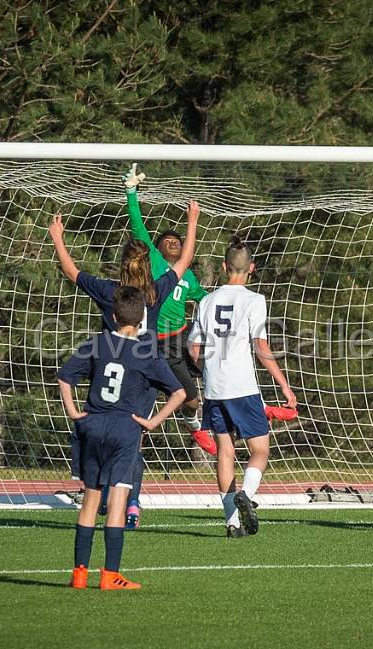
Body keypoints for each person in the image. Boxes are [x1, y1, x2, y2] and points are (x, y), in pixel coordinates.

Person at [49, 201, 197, 529]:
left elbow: (72, 272)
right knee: (132, 442)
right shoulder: (156, 292)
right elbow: (185, 261)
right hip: (144, 374)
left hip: (109, 370)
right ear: (149, 266)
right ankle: (131, 504)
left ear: (122, 264)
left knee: (102, 437)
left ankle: (99, 496)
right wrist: (192, 221)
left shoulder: (109, 292)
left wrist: (57, 237)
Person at [57, 287, 187, 590]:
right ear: (142, 318)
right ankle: (110, 576)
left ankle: (79, 573)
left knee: (90, 500)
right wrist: (153, 421)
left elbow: (65, 377)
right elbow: (179, 393)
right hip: (125, 429)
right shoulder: (146, 352)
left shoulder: (97, 343)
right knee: (117, 501)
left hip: (92, 423)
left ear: (113, 315)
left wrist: (74, 412)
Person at [188, 236, 297, 537]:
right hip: (243, 387)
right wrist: (284, 385)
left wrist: (206, 370)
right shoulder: (254, 300)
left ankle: (232, 523)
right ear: (252, 268)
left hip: (214, 389)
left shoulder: (206, 301)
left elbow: (193, 348)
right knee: (260, 450)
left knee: (225, 452)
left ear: (224, 267)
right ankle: (247, 494)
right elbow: (261, 349)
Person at [123, 164, 216, 457]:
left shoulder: (187, 277)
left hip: (181, 339)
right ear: (158, 250)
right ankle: (190, 428)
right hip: (155, 342)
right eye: (168, 241)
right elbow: (138, 226)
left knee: (199, 389)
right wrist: (131, 193)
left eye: (178, 241)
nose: (174, 243)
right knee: (175, 400)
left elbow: (207, 299)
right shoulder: (159, 268)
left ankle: (210, 416)